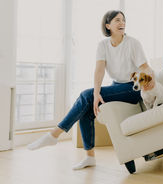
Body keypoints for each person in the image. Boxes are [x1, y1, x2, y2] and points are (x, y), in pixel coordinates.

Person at [28, 10, 154, 170]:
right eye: (117, 20)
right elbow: (99, 70)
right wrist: (96, 94)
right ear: (108, 25)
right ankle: (90, 157)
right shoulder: (103, 45)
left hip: (132, 88)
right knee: (87, 105)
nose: (122, 23)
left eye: (123, 20)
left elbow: (145, 67)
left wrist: (151, 79)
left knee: (84, 95)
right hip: (116, 86)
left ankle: (55, 134)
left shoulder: (133, 43)